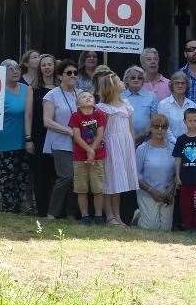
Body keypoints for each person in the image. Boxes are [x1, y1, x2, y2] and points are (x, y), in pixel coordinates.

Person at [0, 59, 34, 214]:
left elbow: (29, 114)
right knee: (6, 179)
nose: (15, 71)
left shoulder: (26, 89)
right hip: (1, 141)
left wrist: (28, 138)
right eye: (10, 68)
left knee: (21, 178)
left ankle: (18, 207)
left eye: (17, 68)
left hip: (22, 140)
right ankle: (8, 210)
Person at [95, 69, 139, 226]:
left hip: (124, 145)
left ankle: (117, 216)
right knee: (109, 182)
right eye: (120, 81)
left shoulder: (125, 104)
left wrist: (131, 145)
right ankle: (109, 216)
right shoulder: (103, 108)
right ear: (112, 86)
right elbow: (101, 130)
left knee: (118, 182)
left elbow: (130, 127)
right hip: (111, 146)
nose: (123, 83)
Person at [43, 59, 80, 219]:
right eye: (69, 73)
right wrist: (68, 131)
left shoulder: (81, 93)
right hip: (60, 142)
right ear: (59, 76)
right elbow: (47, 121)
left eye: (75, 73)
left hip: (79, 143)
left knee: (76, 179)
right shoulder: (51, 95)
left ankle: (71, 214)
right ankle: (52, 213)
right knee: (66, 176)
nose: (73, 76)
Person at [69, 91, 107, 224]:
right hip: (80, 158)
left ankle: (98, 216)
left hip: (98, 157)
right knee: (81, 189)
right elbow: (77, 136)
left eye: (90, 96)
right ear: (78, 104)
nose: (88, 98)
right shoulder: (75, 116)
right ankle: (85, 216)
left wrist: (92, 150)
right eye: (84, 97)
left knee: (98, 188)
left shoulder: (99, 114)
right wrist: (89, 150)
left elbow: (100, 134)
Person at [135, 113, 176, 231]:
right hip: (147, 193)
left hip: (167, 194)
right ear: (151, 128)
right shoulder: (142, 149)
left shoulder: (173, 148)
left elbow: (176, 174)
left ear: (167, 129)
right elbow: (136, 176)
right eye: (156, 126)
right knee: (151, 227)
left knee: (165, 229)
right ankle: (138, 215)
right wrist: (151, 191)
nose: (160, 129)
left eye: (163, 127)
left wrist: (171, 190)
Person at [30, 54, 57, 217]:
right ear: (39, 69)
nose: (47, 67)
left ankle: (55, 210)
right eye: (44, 65)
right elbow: (29, 115)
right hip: (39, 134)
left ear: (55, 67)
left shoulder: (62, 88)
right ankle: (42, 210)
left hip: (58, 134)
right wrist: (28, 138)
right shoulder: (33, 89)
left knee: (56, 173)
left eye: (50, 64)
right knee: (40, 174)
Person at [122, 66, 158, 144]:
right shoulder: (120, 97)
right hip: (124, 140)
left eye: (140, 78)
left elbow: (154, 120)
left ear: (143, 80)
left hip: (146, 140)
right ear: (126, 80)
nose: (136, 80)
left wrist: (143, 135)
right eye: (133, 77)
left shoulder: (151, 96)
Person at [158, 72, 196, 140]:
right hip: (170, 146)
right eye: (177, 83)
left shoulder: (192, 105)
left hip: (189, 145)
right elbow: (165, 128)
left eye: (183, 83)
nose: (180, 85)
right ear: (172, 85)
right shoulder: (163, 104)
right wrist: (178, 143)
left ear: (187, 85)